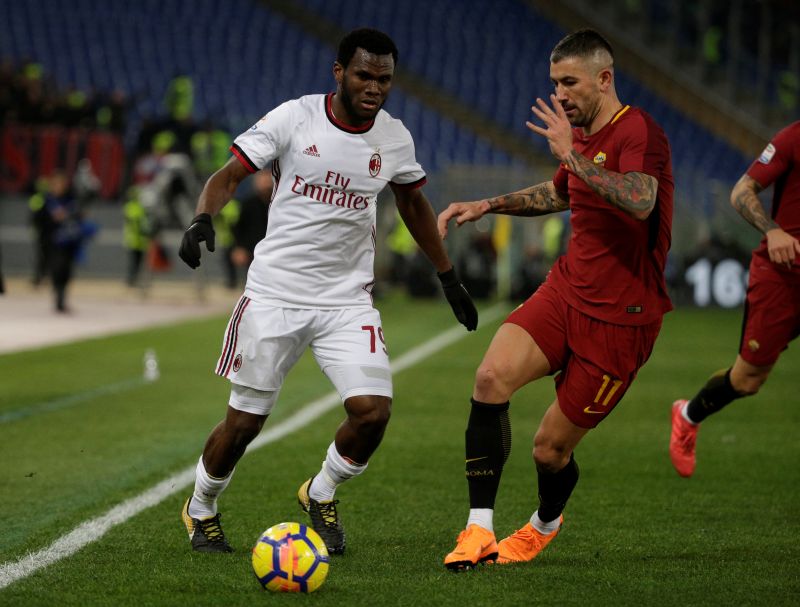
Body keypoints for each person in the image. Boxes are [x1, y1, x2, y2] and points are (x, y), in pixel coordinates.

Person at [177, 28, 478, 554]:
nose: (374, 87)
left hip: (346, 302)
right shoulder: (293, 118)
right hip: (274, 295)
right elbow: (229, 175)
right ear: (339, 72)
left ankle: (320, 492)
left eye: (384, 79)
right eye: (364, 75)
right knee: (244, 424)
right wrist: (203, 217)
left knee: (373, 412)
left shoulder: (394, 137)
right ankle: (201, 506)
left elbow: (412, 206)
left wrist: (447, 275)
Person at [438, 29, 673, 570]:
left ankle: (544, 523)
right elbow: (560, 193)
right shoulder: (583, 137)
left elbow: (640, 199)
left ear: (604, 78)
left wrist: (572, 154)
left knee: (549, 450)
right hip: (566, 291)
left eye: (570, 82)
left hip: (622, 321)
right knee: (490, 378)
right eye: (554, 83)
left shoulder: (639, 130)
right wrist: (488, 204)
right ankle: (477, 530)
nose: (561, 94)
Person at [670, 121, 800, 478]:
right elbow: (742, 191)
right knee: (747, 380)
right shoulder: (792, 137)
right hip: (783, 276)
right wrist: (774, 231)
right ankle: (688, 415)